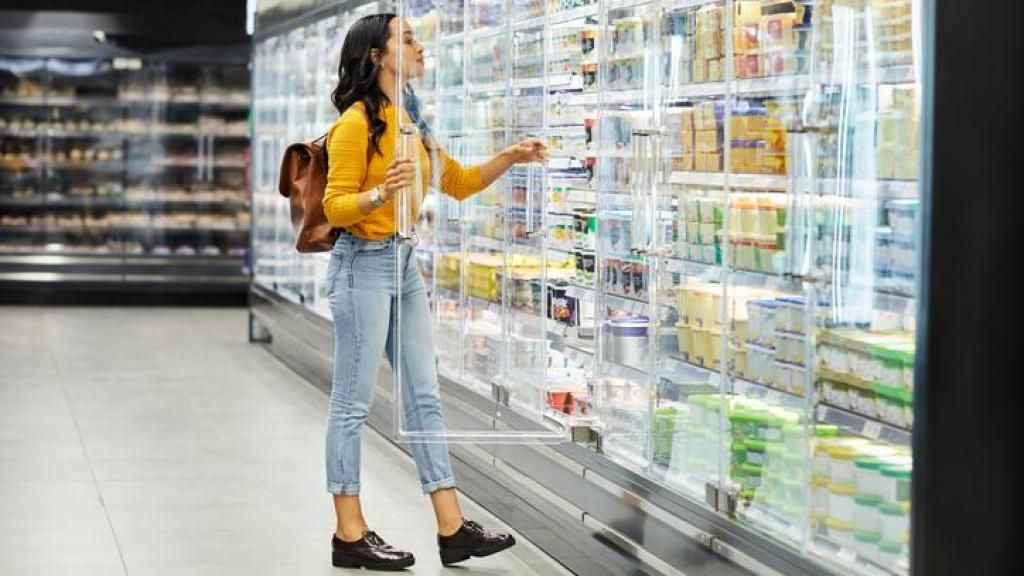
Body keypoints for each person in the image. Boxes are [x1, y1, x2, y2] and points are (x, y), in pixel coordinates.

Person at [320, 13, 548, 571]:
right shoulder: (357, 124)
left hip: (403, 265)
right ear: (377, 55)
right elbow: (334, 206)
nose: (420, 47)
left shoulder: (411, 119)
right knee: (352, 403)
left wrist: (511, 158)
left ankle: (452, 529)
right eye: (408, 38)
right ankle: (349, 533)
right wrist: (377, 196)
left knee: (424, 396)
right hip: (362, 267)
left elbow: (460, 183)